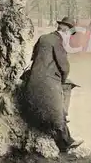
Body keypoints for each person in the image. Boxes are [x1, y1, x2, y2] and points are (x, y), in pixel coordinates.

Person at [24, 16, 83, 152]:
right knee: (66, 89)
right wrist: (62, 79)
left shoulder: (43, 38)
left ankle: (63, 120)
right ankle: (66, 142)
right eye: (70, 34)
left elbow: (34, 57)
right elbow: (64, 66)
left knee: (61, 93)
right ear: (66, 31)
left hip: (33, 80)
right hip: (47, 81)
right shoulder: (59, 41)